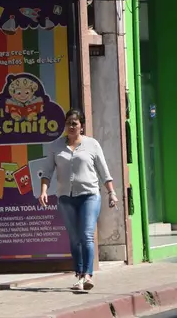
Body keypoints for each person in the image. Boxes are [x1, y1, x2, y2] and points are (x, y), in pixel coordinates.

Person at [38, 109, 118, 292]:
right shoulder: (56, 146)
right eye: (68, 123)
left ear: (82, 126)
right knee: (74, 238)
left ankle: (88, 275)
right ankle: (79, 274)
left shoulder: (92, 144)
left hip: (89, 195)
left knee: (87, 235)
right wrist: (43, 191)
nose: (71, 127)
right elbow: (47, 171)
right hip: (66, 198)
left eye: (74, 123)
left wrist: (111, 193)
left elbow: (103, 171)